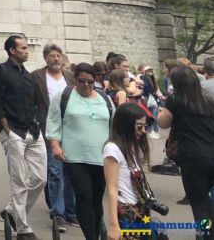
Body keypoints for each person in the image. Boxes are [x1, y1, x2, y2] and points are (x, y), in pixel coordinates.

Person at [0, 34, 46, 240]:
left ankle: (11, 211)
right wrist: (3, 123)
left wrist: (35, 122)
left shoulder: (27, 76)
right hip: (13, 131)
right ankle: (23, 229)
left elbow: (33, 103)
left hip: (32, 131)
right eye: (23, 48)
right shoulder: (1, 71)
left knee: (40, 178)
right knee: (18, 181)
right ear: (12, 50)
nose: (27, 51)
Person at [46, 63, 112, 240]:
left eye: (90, 81)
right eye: (82, 81)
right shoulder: (64, 96)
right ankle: (90, 236)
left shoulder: (104, 99)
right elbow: (53, 123)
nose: (86, 85)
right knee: (83, 196)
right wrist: (55, 145)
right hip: (74, 156)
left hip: (101, 157)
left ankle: (96, 231)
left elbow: (113, 125)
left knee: (96, 200)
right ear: (75, 80)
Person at [156, 65, 214, 234]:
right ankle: (210, 229)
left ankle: (206, 233)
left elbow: (163, 122)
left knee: (198, 201)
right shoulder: (208, 101)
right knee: (205, 196)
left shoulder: (176, 100)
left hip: (193, 156)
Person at [30, 43, 76, 234]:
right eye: (52, 55)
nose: (56, 58)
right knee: (55, 171)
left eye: (59, 55)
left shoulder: (70, 77)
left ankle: (71, 210)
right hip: (49, 130)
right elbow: (31, 102)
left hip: (71, 131)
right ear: (45, 58)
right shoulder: (36, 77)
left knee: (71, 171)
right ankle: (58, 213)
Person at [103, 103, 151, 240]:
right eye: (139, 126)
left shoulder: (133, 147)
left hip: (141, 209)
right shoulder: (112, 149)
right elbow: (112, 189)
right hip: (126, 212)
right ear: (125, 126)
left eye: (144, 126)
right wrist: (114, 225)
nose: (143, 131)